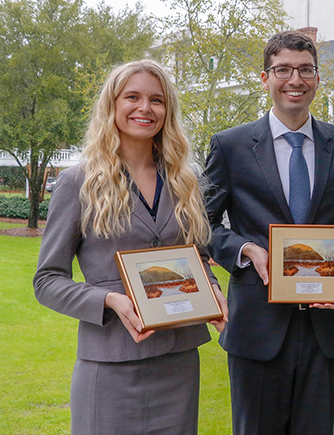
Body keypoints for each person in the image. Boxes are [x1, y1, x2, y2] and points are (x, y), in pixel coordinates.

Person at [34, 60, 228, 435]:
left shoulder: (185, 181)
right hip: (109, 364)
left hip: (178, 362)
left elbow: (196, 257)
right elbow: (47, 280)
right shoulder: (79, 182)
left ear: (167, 110)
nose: (145, 108)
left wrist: (213, 290)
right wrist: (111, 301)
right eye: (133, 97)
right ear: (113, 105)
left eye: (156, 100)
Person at [202, 30, 334, 435]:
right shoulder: (231, 145)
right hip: (257, 326)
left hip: (323, 332)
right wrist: (246, 250)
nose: (295, 79)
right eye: (283, 70)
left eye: (305, 70)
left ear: (317, 79)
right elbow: (203, 225)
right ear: (266, 78)